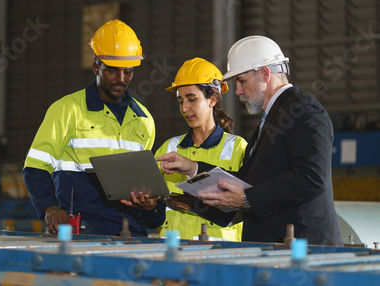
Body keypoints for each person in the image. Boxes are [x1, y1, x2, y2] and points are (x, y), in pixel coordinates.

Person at [156, 36, 343, 246]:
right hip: (280, 249)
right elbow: (248, 179)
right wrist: (193, 168)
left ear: (265, 73)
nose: (238, 91)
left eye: (241, 81)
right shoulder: (272, 120)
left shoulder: (303, 110)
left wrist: (247, 198)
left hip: (302, 249)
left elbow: (311, 177)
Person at [23, 19, 165, 236]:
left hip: (132, 232)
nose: (121, 79)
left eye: (128, 71)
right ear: (96, 66)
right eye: (112, 71)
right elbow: (35, 167)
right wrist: (49, 208)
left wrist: (150, 206)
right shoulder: (67, 110)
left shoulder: (144, 119)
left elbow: (143, 183)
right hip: (85, 230)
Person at [155, 58, 247, 241]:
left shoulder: (238, 148)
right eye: (181, 101)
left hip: (219, 258)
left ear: (212, 99)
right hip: (172, 255)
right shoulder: (169, 148)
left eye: (191, 99)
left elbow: (247, 206)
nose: (184, 108)